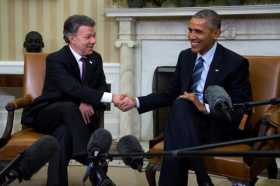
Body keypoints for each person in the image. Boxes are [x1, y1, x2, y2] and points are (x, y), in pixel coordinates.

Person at [118, 9, 252, 186]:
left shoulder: (235, 63)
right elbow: (170, 94)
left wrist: (204, 107)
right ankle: (202, 178)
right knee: (181, 105)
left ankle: (200, 176)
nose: (191, 36)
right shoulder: (186, 57)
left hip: (216, 127)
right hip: (186, 124)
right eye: (190, 30)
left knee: (179, 115)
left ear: (216, 33)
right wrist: (136, 101)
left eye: (198, 32)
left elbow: (240, 109)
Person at [21, 15, 124, 186]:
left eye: (94, 35)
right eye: (88, 37)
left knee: (63, 135)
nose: (93, 40)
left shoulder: (95, 59)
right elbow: (71, 88)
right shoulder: (56, 59)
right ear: (71, 38)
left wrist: (88, 102)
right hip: (48, 114)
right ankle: (91, 161)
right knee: (68, 106)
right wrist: (111, 98)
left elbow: (101, 87)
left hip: (73, 123)